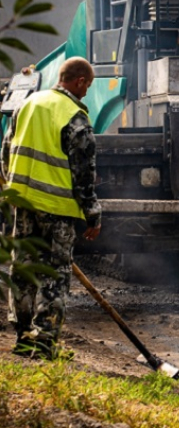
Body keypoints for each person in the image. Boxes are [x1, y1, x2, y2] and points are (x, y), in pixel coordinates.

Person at [3, 57, 102, 359]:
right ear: (80, 81)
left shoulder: (28, 104)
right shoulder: (75, 117)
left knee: (23, 268)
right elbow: (83, 174)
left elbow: (6, 151)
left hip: (22, 203)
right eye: (88, 87)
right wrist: (92, 214)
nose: (86, 93)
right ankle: (45, 342)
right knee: (55, 273)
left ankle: (23, 338)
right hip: (57, 208)